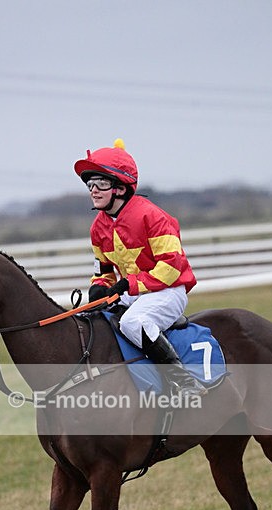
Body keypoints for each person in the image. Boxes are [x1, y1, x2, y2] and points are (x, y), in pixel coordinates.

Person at [74, 138, 207, 395]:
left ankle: (183, 380)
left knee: (133, 323)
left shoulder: (152, 216)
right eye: (90, 184)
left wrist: (128, 285)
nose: (94, 190)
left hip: (168, 292)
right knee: (86, 320)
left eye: (101, 183)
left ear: (121, 188)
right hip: (134, 293)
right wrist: (98, 288)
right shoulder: (97, 228)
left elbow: (171, 268)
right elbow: (103, 274)